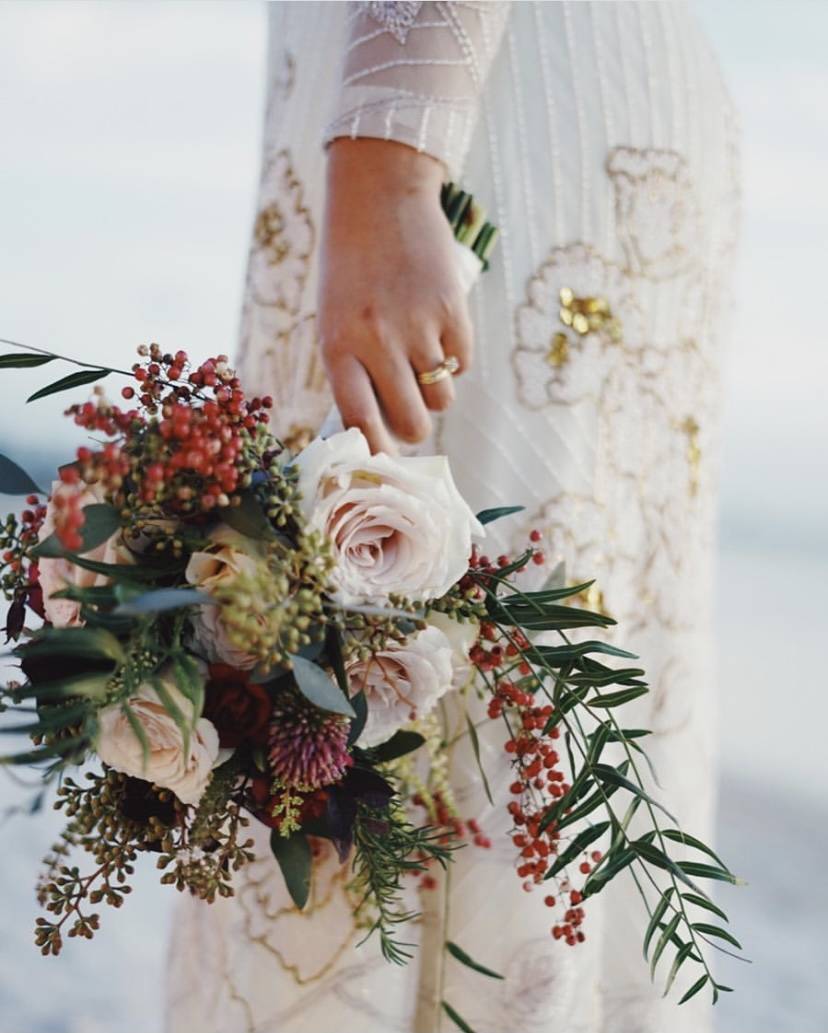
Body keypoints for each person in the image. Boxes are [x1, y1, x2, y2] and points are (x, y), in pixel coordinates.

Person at [165, 4, 740, 1031]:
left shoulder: (400, 137)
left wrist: (392, 148)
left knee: (465, 671)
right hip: (493, 98)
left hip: (474, 106)